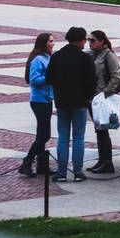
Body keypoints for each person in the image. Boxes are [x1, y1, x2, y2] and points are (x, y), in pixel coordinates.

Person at [46, 27, 97, 182]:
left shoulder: (57, 56)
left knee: (63, 137)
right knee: (78, 137)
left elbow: (49, 78)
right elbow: (92, 81)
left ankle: (61, 172)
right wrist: (87, 96)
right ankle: (77, 172)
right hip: (80, 101)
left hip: (62, 101)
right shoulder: (85, 58)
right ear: (80, 40)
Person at [88, 29, 120, 173]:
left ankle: (108, 162)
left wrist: (105, 93)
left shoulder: (109, 55)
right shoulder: (92, 54)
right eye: (88, 40)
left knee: (103, 130)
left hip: (101, 97)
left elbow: (116, 77)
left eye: (92, 40)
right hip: (93, 98)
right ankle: (102, 160)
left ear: (102, 41)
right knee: (99, 130)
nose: (89, 43)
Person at [19, 33, 57, 179]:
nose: (53, 44)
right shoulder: (38, 59)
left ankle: (42, 166)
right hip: (39, 100)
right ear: (44, 43)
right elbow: (34, 80)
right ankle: (27, 162)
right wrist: (50, 77)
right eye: (51, 41)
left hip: (46, 99)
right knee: (44, 134)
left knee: (42, 133)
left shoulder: (47, 58)